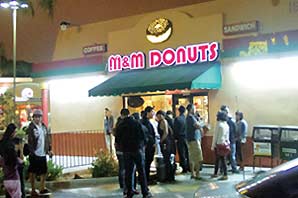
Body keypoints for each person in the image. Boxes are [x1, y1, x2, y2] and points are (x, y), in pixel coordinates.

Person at [116, 108, 152, 198]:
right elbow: (143, 137)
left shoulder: (121, 125)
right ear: (129, 114)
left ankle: (129, 192)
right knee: (141, 171)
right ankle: (145, 192)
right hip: (137, 150)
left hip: (126, 151)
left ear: (122, 115)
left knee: (129, 172)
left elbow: (117, 140)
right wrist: (141, 146)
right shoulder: (136, 123)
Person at [26, 109, 52, 196]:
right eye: (36, 117)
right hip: (34, 153)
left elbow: (48, 139)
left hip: (43, 152)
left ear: (41, 118)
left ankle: (42, 187)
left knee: (44, 171)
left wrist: (49, 149)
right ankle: (33, 189)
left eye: (39, 117)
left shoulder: (44, 127)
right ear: (33, 118)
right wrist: (31, 151)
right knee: (33, 171)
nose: (37, 119)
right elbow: (29, 140)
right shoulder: (31, 128)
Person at [0, 123, 22, 198]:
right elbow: (17, 160)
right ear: (12, 133)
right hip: (15, 179)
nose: (15, 134)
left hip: (6, 179)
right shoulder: (11, 145)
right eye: (15, 132)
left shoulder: (2, 144)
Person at [156, 110, 175, 182]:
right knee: (166, 159)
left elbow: (166, 132)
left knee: (166, 159)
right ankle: (169, 176)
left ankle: (169, 176)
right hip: (167, 142)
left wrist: (161, 141)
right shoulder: (163, 121)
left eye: (158, 115)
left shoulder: (163, 121)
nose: (157, 117)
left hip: (165, 143)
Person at [185, 104, 203, 179]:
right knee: (198, 157)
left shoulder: (189, 117)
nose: (195, 110)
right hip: (194, 140)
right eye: (194, 108)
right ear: (191, 109)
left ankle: (193, 173)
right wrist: (202, 125)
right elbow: (197, 125)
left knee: (191, 157)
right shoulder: (191, 118)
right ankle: (197, 173)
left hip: (190, 139)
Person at [211, 111, 230, 180]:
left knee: (217, 160)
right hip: (224, 144)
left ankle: (216, 173)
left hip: (218, 144)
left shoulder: (218, 124)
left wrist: (213, 146)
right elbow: (227, 136)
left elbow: (215, 136)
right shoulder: (226, 125)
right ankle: (225, 174)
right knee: (223, 159)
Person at [220, 105, 238, 173]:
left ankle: (229, 169)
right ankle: (231, 169)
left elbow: (235, 131)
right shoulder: (230, 121)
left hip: (229, 141)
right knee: (226, 156)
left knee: (227, 156)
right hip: (227, 141)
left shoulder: (226, 121)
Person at [141, 106, 156, 184]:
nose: (153, 113)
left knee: (147, 163)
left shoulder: (147, 122)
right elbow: (148, 135)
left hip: (149, 145)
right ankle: (145, 180)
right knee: (147, 163)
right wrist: (151, 143)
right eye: (152, 112)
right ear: (148, 112)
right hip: (147, 146)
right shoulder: (145, 122)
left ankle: (146, 179)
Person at [173, 105, 189, 173]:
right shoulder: (186, 119)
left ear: (178, 111)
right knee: (187, 152)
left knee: (181, 153)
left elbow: (175, 129)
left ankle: (184, 168)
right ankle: (189, 166)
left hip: (180, 138)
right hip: (186, 137)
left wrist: (175, 138)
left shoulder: (177, 119)